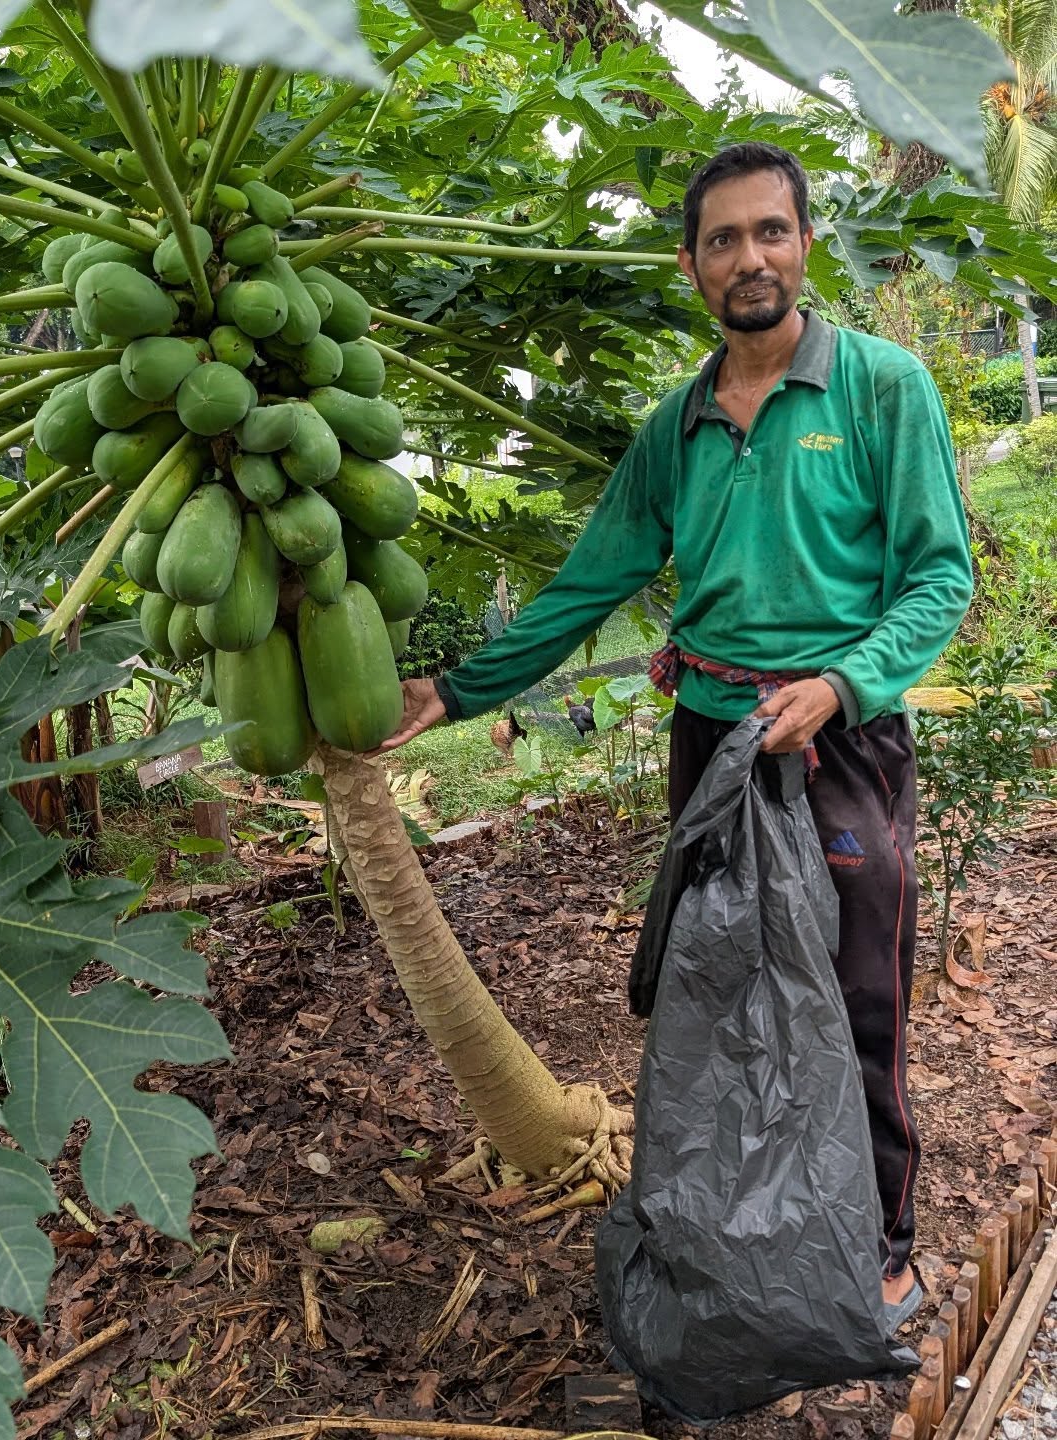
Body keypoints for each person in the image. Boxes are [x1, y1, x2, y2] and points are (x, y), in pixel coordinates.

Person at [377, 141, 973, 1322]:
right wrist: (455, 692)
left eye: (769, 231)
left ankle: (880, 1246)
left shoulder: (880, 387)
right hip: (711, 747)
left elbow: (937, 580)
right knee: (727, 992)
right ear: (692, 266)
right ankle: (757, 1222)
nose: (747, 257)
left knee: (855, 995)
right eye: (721, 240)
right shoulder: (680, 423)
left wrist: (845, 685)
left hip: (837, 748)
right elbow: (586, 582)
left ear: (803, 242)